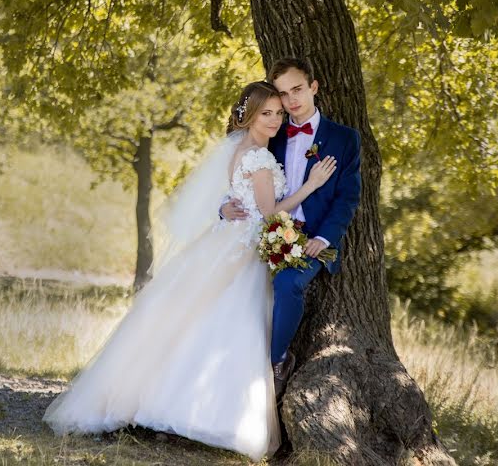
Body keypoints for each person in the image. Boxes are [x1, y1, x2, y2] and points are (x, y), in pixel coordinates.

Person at [43, 81, 337, 461]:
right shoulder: (260, 158)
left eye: (279, 114)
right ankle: (206, 416)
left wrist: (222, 208)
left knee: (191, 319)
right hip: (244, 249)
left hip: (224, 241)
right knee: (232, 323)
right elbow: (270, 214)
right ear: (248, 115)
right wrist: (312, 185)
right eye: (267, 114)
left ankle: (155, 402)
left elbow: (235, 197)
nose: (276, 121)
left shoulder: (239, 149)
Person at [221, 57, 362, 400]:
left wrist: (323, 237)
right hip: (265, 230)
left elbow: (347, 197)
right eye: (283, 94)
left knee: (287, 285)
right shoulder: (272, 130)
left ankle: (273, 365)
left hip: (312, 237)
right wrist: (222, 208)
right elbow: (242, 176)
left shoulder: (344, 139)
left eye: (297, 89)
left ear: (313, 87)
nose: (291, 100)